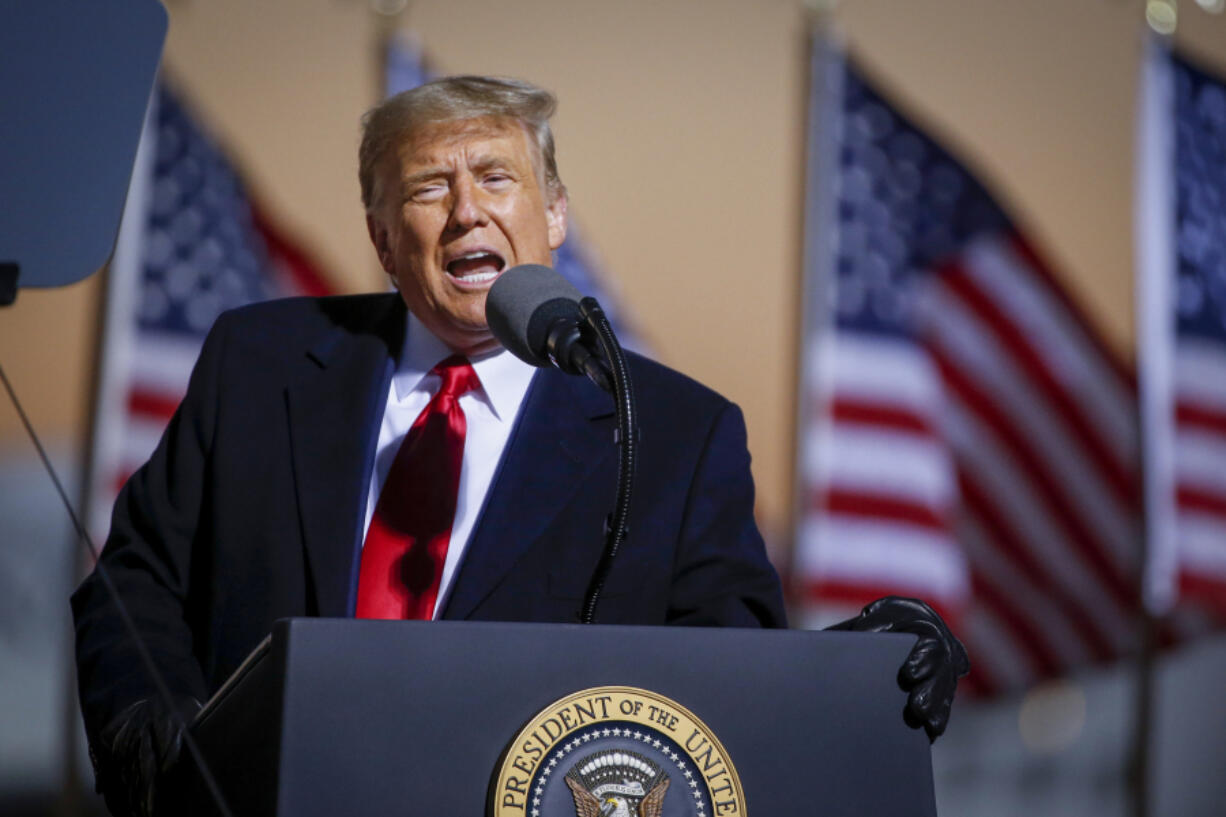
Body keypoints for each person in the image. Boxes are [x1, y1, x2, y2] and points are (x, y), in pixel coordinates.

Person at [72, 75, 967, 816]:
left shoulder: (674, 435)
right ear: (383, 238)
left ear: (556, 214)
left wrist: (863, 662)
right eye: (429, 188)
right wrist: (157, 734)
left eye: (497, 179)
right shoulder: (259, 363)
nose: (467, 213)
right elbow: (134, 577)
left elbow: (725, 679)